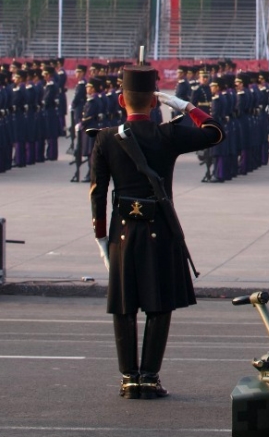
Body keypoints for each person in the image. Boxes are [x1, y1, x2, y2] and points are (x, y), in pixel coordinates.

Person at [88, 65, 225, 399]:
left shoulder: (105, 137)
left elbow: (98, 192)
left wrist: (101, 237)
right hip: (159, 229)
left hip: (122, 231)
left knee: (124, 305)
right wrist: (183, 105)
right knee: (158, 304)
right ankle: (149, 377)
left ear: (121, 100)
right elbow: (215, 131)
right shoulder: (168, 134)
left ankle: (128, 379)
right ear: (154, 102)